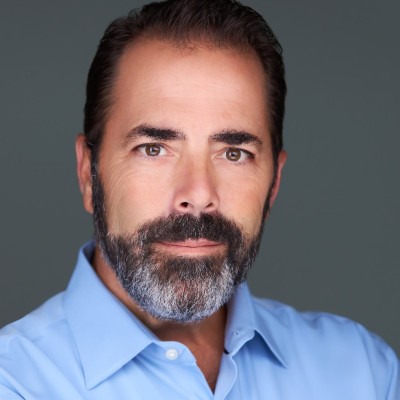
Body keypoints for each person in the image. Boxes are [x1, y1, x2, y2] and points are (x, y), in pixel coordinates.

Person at [0, 0, 398, 398]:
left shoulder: (363, 373)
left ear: (274, 182)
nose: (198, 194)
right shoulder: (15, 382)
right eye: (153, 149)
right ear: (89, 172)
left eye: (234, 154)